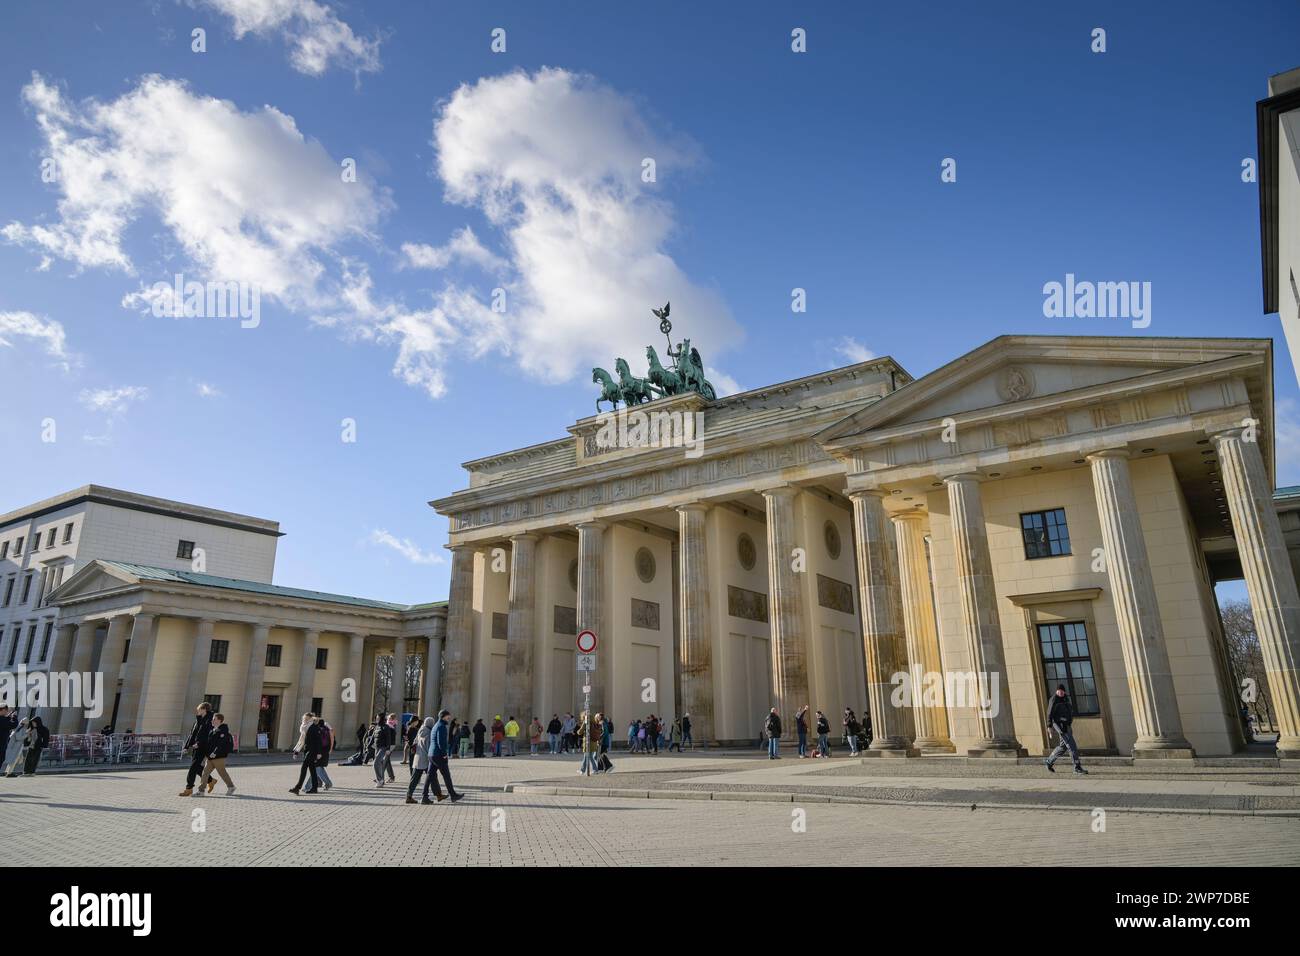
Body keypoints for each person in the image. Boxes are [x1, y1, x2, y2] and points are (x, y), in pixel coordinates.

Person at [1044, 684, 1088, 775]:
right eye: (1059, 690)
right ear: (1057, 691)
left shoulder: (1066, 698)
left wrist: (1069, 721)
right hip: (1060, 725)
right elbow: (1049, 713)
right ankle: (1077, 767)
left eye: (1062, 691)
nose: (1061, 692)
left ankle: (1049, 761)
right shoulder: (1053, 699)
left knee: (1063, 747)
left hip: (1067, 725)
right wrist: (1049, 726)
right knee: (1072, 746)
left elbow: (1070, 710)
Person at [427, 709, 464, 802]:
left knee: (430, 775)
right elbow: (441, 742)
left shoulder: (436, 725)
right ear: (443, 716)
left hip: (432, 754)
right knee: (446, 775)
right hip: (439, 755)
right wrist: (444, 754)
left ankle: (424, 796)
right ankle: (453, 795)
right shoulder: (442, 726)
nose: (449, 718)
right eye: (448, 716)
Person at [178, 702, 215, 797]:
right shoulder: (198, 719)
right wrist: (186, 746)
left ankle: (189, 788)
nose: (197, 710)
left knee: (193, 767)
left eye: (199, 709)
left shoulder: (210, 719)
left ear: (204, 709)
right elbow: (192, 734)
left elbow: (208, 735)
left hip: (204, 746)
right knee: (197, 767)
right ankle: (211, 780)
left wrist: (198, 743)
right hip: (196, 746)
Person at [196, 712, 236, 795]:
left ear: (219, 721)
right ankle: (201, 791)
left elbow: (221, 744)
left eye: (214, 719)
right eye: (212, 719)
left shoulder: (223, 731)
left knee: (222, 773)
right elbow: (208, 743)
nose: (212, 721)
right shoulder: (212, 730)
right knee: (205, 773)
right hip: (210, 757)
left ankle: (231, 787)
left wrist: (215, 752)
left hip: (218, 757)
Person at [290, 715, 324, 794]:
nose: (303, 720)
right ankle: (314, 788)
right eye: (303, 718)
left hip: (312, 751)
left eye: (305, 718)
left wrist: (319, 753)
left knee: (304, 768)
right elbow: (301, 741)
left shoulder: (314, 727)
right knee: (312, 770)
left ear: (310, 719)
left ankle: (297, 788)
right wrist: (296, 752)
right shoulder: (304, 728)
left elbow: (319, 741)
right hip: (308, 751)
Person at [406, 716, 437, 804]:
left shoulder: (420, 730)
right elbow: (429, 746)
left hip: (418, 758)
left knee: (414, 779)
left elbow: (414, 743)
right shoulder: (430, 732)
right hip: (426, 759)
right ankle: (435, 795)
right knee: (432, 777)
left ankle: (409, 795)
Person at [372, 712, 396, 787]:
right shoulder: (376, 727)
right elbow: (373, 737)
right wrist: (368, 746)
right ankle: (381, 780)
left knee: (376, 763)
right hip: (377, 747)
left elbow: (388, 738)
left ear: (381, 719)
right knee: (381, 764)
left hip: (383, 748)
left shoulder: (386, 727)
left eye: (378, 718)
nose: (376, 719)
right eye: (376, 718)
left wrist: (388, 749)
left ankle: (379, 780)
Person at [315, 718, 334, 790]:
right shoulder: (327, 729)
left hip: (319, 751)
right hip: (326, 750)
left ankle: (327, 782)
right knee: (319, 767)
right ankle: (319, 782)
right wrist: (331, 748)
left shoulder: (318, 729)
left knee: (317, 767)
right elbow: (332, 738)